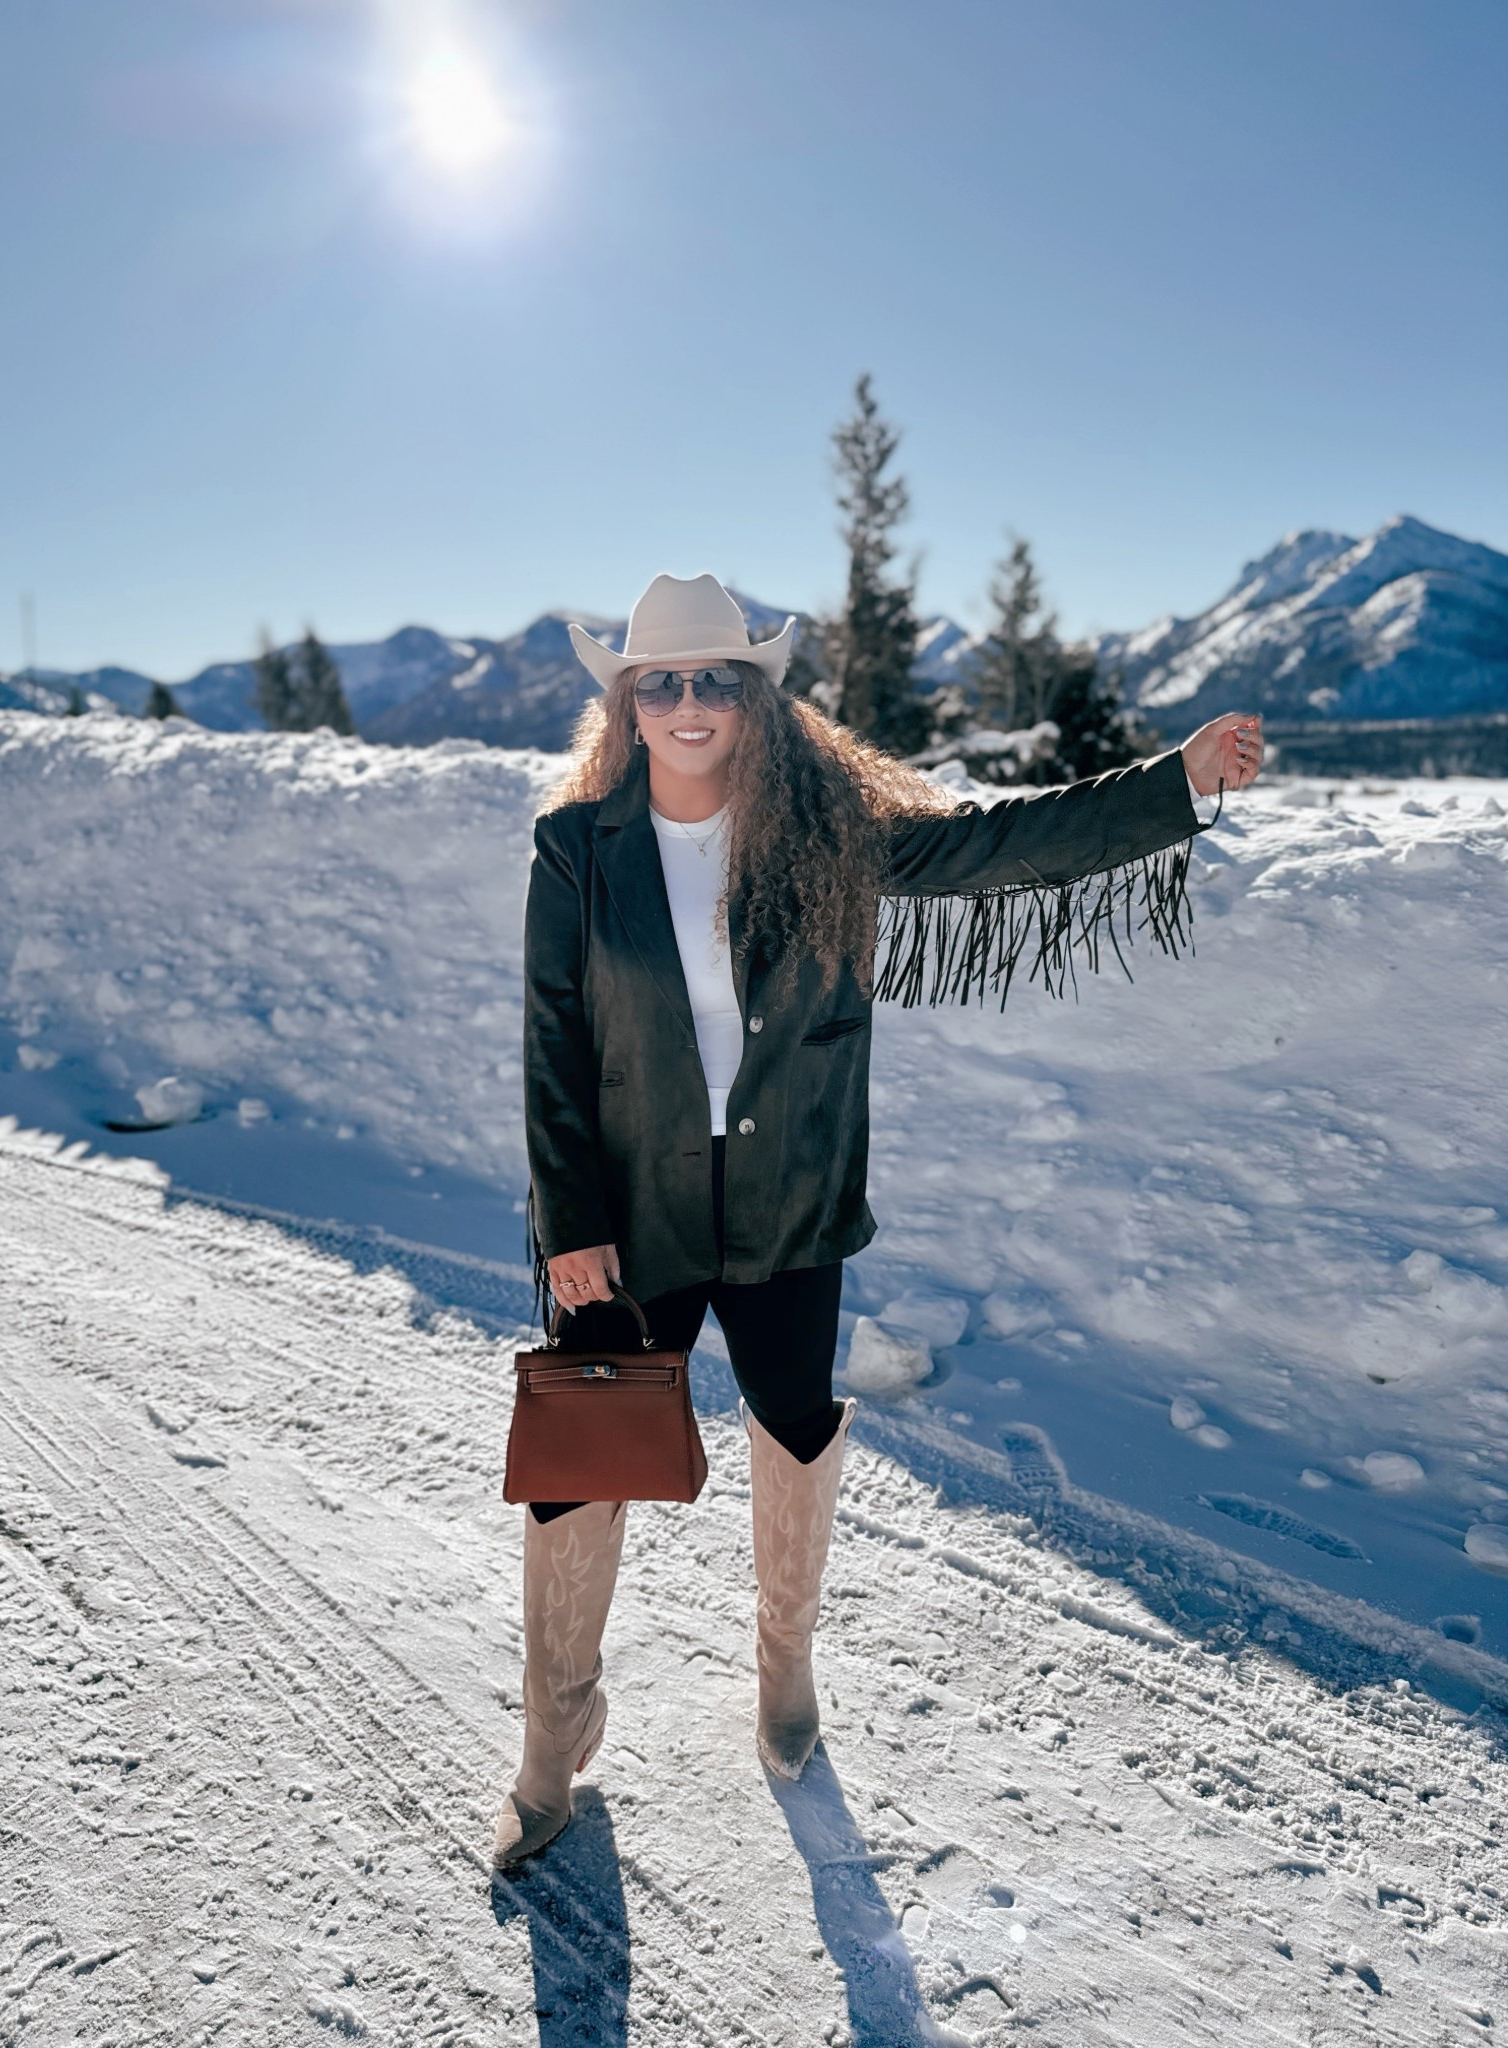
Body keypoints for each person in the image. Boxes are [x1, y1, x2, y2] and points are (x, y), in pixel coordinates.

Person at [495, 572, 1263, 1866]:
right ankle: (551, 1735)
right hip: (630, 1218)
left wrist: (1174, 785)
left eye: (714, 681)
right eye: (662, 683)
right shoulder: (576, 851)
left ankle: (783, 1671)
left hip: (791, 1208)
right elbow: (553, 1046)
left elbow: (994, 846)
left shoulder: (828, 830)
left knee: (793, 1430)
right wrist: (570, 1222)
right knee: (582, 1475)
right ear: (627, 704)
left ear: (753, 698)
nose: (689, 704)